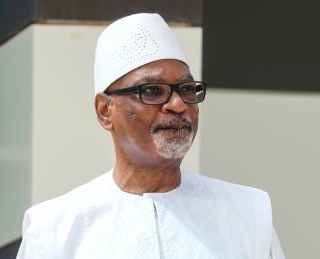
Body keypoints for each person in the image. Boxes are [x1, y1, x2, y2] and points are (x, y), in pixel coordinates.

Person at [16, 13, 285, 259]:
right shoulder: (55, 230)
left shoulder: (247, 213)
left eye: (187, 89)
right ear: (105, 111)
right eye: (153, 91)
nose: (178, 105)